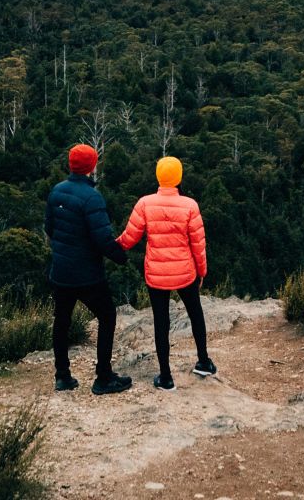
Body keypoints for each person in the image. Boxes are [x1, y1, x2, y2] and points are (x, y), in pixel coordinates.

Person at [117, 155, 217, 390]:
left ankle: (165, 377)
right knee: (195, 314)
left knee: (161, 322)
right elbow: (198, 245)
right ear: (179, 178)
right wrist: (202, 271)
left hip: (157, 273)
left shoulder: (145, 203)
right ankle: (203, 361)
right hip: (185, 271)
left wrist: (107, 245)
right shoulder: (190, 205)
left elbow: (128, 238)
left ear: (158, 177)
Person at [44, 143, 132, 395]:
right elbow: (103, 238)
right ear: (92, 167)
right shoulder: (92, 197)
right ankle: (103, 377)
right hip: (87, 275)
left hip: (61, 272)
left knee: (61, 322)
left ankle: (62, 376)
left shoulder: (57, 191)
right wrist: (121, 257)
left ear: (70, 164)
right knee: (107, 316)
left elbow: (49, 228)